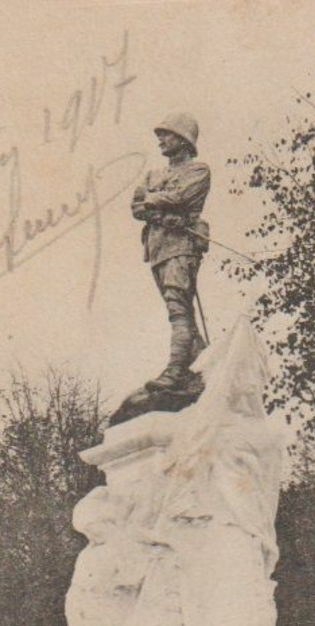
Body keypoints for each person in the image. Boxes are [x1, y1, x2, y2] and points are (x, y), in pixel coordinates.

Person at [128, 112, 210, 406]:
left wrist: (154, 200)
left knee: (178, 308)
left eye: (166, 134)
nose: (160, 140)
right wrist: (156, 204)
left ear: (184, 138)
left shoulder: (198, 170)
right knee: (176, 309)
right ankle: (199, 364)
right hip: (158, 247)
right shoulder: (153, 174)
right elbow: (136, 207)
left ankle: (175, 371)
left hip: (181, 246)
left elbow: (179, 197)